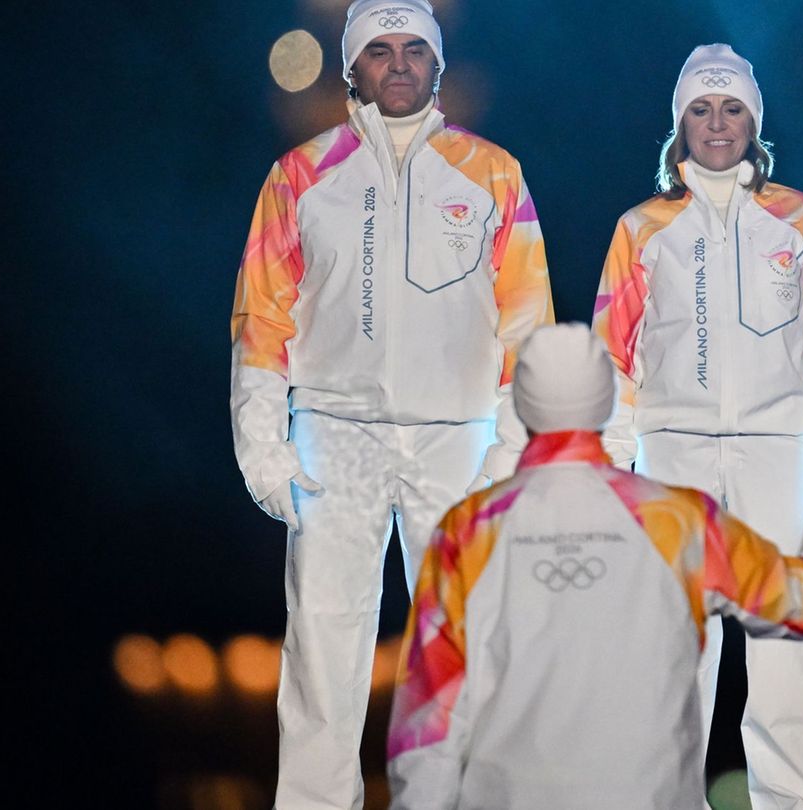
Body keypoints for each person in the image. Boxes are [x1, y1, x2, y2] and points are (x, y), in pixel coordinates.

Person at [228, 1, 553, 806]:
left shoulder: (493, 173)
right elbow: (260, 319)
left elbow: (527, 320)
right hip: (335, 435)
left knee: (464, 652)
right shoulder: (300, 175)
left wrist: (508, 451)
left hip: (457, 438)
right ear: (352, 69)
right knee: (322, 653)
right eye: (381, 51)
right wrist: (264, 447)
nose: (401, 64)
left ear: (439, 66)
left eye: (416, 50)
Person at [385, 324, 803, 810]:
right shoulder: (679, 521)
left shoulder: (468, 531)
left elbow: (429, 723)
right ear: (607, 402)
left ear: (523, 405)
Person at [590, 44, 803, 808]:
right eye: (701, 109)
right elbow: (612, 362)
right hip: (671, 458)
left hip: (778, 456)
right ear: (680, 124)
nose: (718, 124)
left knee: (785, 658)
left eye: (733, 108)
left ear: (755, 120)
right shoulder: (642, 229)